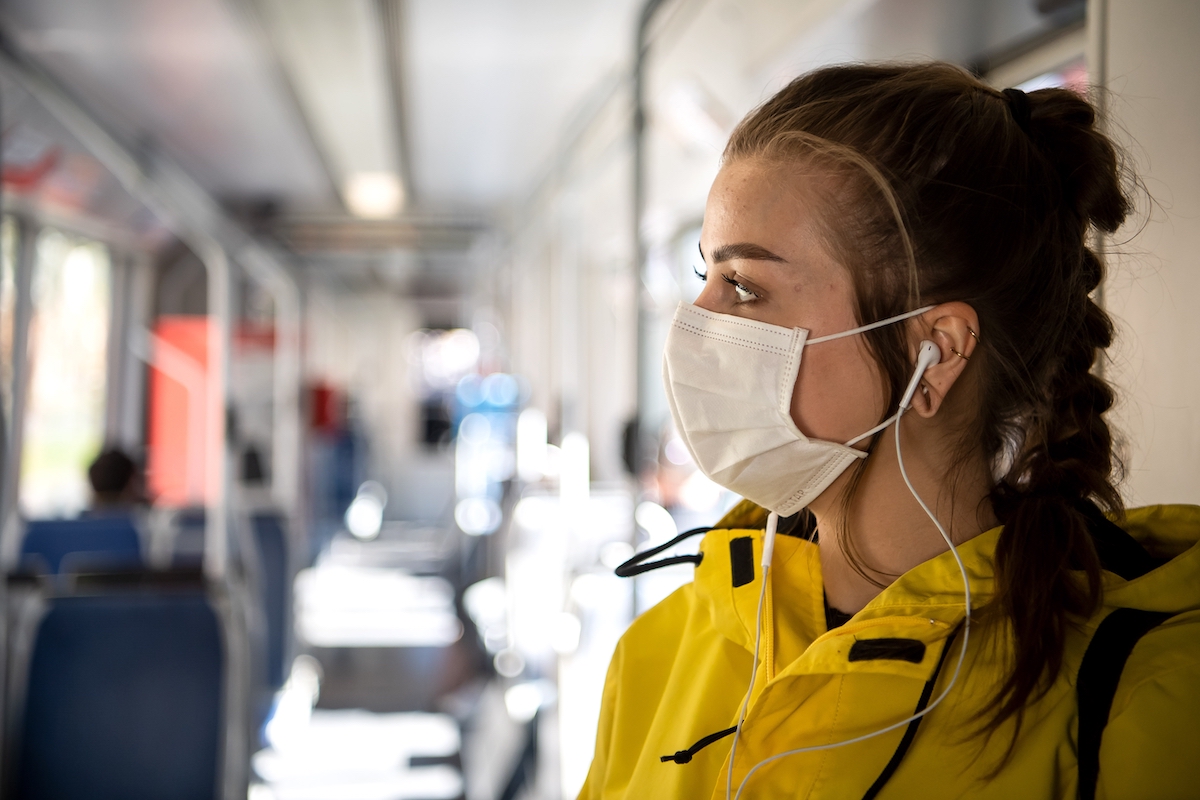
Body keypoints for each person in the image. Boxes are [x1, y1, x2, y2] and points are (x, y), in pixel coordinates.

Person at [581, 63, 1200, 799]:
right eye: (704, 277)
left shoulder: (1147, 693)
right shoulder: (660, 650)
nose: (697, 322)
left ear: (933, 351)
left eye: (744, 286)